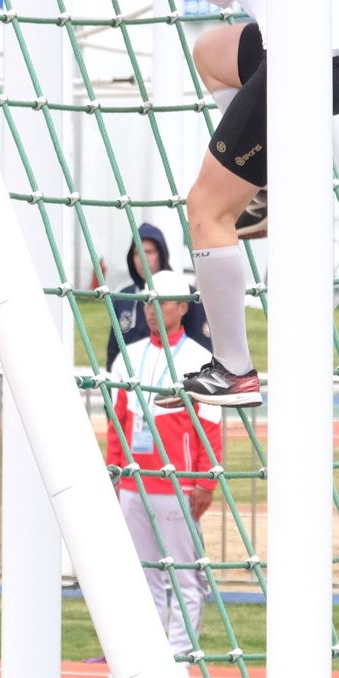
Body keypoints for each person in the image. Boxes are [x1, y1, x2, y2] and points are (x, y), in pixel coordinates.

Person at [80, 0, 339, 408]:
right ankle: (260, 191)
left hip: (304, 68)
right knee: (212, 51)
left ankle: (234, 368)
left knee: (205, 208)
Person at [103, 269, 225, 655]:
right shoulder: (128, 356)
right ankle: (150, 655)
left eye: (163, 303)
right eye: (148, 303)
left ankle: (180, 656)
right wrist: (114, 471)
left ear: (182, 307)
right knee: (144, 576)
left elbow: (212, 427)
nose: (153, 310)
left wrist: (206, 482)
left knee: (185, 577)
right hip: (134, 485)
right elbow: (117, 421)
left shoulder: (201, 358)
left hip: (179, 487)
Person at [104, 223, 211, 371]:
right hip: (130, 382)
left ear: (162, 253)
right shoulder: (123, 297)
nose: (142, 258)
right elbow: (113, 351)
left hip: (174, 380)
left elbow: (201, 350)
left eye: (149, 252)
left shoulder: (186, 295)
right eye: (137, 253)